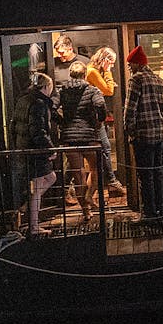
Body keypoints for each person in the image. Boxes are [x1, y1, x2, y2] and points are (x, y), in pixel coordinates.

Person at [123, 45, 163, 220]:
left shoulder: (136, 80)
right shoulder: (160, 81)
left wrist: (131, 132)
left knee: (145, 176)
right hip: (159, 134)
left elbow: (130, 110)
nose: (129, 68)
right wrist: (162, 126)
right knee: (158, 173)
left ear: (137, 64)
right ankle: (160, 210)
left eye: (130, 64)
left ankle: (148, 213)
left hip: (143, 135)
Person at [57, 61, 106, 222]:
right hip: (89, 136)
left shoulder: (62, 90)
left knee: (78, 174)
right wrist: (99, 121)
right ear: (85, 75)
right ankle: (89, 196)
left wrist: (61, 122)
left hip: (70, 138)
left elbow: (51, 107)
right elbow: (100, 105)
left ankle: (85, 211)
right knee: (96, 168)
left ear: (70, 75)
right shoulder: (92, 90)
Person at [18, 72, 58, 236]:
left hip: (25, 148)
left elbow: (16, 125)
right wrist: (50, 149)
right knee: (39, 185)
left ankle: (27, 206)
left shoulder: (23, 99)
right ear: (46, 86)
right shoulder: (39, 103)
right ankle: (33, 226)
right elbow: (38, 131)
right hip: (36, 151)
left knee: (50, 178)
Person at [85, 46, 127, 198]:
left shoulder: (92, 71)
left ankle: (110, 182)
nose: (113, 66)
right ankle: (112, 181)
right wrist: (108, 72)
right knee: (104, 148)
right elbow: (109, 91)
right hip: (93, 118)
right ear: (105, 60)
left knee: (101, 150)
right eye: (111, 62)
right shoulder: (92, 72)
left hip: (93, 117)